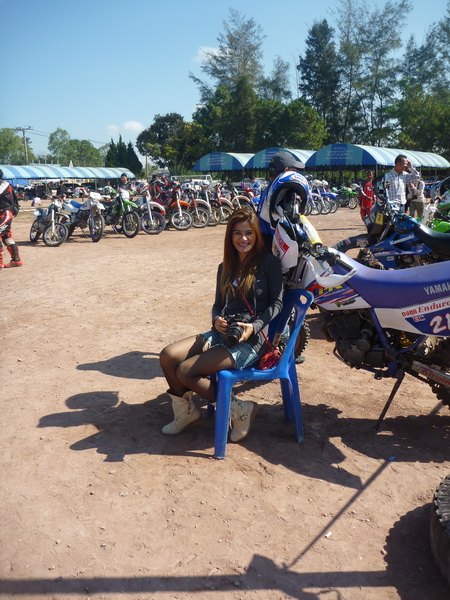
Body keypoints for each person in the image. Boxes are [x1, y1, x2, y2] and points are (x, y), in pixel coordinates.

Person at [159, 208, 284, 442]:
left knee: (186, 371)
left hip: (252, 340)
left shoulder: (268, 263)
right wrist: (215, 319)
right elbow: (218, 305)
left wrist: (254, 326)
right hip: (223, 332)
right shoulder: (224, 267)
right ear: (230, 236)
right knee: (168, 356)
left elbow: (277, 304)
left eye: (249, 233)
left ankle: (241, 410)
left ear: (257, 235)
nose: (243, 238)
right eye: (237, 233)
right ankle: (186, 414)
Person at [257, 152, 309, 249]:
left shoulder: (268, 189)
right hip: (276, 245)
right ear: (286, 170)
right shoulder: (283, 192)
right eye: (293, 170)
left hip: (263, 241)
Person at [0, 170, 22, 268]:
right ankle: (16, 260)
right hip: (2, 213)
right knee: (6, 236)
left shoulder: (5, 185)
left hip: (5, 213)